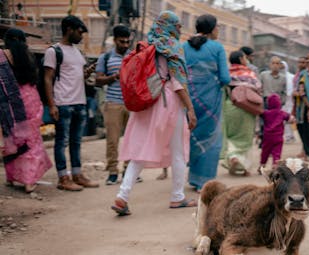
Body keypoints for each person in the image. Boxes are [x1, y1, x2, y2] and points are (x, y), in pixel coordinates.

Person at [111, 11, 197, 215]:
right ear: (170, 26)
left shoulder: (148, 44)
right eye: (177, 25)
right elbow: (177, 83)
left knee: (140, 150)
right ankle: (177, 197)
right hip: (168, 103)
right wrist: (190, 109)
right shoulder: (173, 47)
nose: (179, 29)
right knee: (178, 150)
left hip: (146, 101)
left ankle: (122, 196)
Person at [43, 15, 98, 191]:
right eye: (80, 31)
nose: (82, 36)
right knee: (62, 142)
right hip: (63, 103)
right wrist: (52, 105)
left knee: (76, 142)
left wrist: (87, 73)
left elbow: (77, 76)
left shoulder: (78, 52)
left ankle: (77, 174)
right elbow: (47, 78)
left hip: (79, 103)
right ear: (69, 30)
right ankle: (63, 178)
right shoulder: (54, 51)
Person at [0, 28, 52, 193]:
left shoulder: (2, 55)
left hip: (11, 101)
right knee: (31, 140)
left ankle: (11, 177)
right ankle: (29, 181)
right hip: (30, 97)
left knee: (12, 139)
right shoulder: (28, 56)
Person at [184, 14, 230, 192]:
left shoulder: (183, 47)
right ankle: (205, 183)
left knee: (192, 137)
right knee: (211, 140)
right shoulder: (217, 48)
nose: (219, 30)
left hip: (189, 100)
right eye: (218, 26)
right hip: (211, 102)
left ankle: (193, 178)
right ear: (211, 28)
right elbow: (225, 78)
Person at [95, 25, 133, 185]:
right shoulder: (106, 57)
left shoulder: (133, 56)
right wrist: (114, 77)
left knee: (132, 140)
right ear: (115, 40)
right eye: (121, 42)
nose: (125, 45)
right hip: (113, 104)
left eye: (127, 42)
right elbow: (98, 80)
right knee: (112, 140)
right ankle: (112, 172)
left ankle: (129, 171)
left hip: (131, 105)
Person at [221, 50, 261, 176]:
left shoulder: (226, 73)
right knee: (246, 137)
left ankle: (233, 156)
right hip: (247, 108)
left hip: (230, 107)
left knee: (231, 136)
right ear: (240, 59)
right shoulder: (250, 73)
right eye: (244, 57)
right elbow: (258, 89)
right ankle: (244, 168)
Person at [259, 93, 292, 170]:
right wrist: (292, 120)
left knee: (265, 152)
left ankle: (262, 165)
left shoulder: (266, 113)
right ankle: (275, 164)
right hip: (278, 137)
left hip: (267, 137)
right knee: (277, 153)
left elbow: (259, 112)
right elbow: (290, 118)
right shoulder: (282, 113)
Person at [280, 60, 296, 143]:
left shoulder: (291, 77)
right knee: (282, 119)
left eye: (283, 67)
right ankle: (286, 135)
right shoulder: (278, 77)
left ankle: (290, 135)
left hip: (290, 101)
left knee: (289, 118)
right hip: (281, 101)